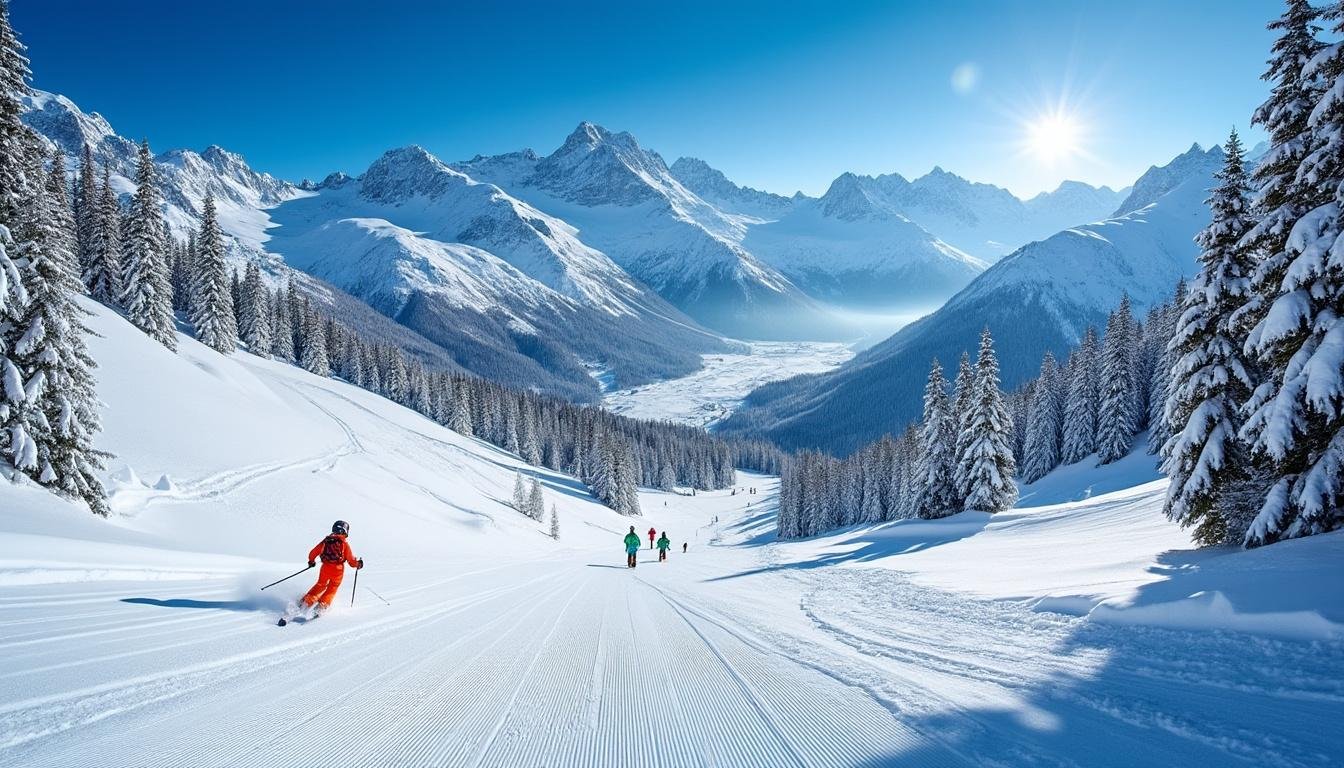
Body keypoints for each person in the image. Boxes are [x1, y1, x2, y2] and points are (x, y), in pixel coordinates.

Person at [301, 520, 363, 613]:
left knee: (321, 584)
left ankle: (307, 601)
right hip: (338, 570)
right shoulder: (344, 544)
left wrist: (311, 561)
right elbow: (351, 561)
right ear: (345, 532)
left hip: (325, 567)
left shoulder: (326, 541)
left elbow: (313, 552)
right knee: (333, 587)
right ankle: (322, 605)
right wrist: (358, 564)